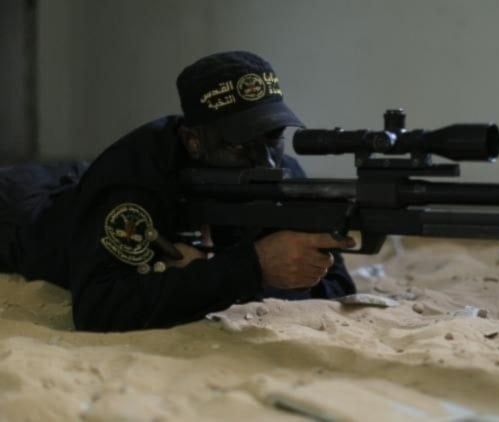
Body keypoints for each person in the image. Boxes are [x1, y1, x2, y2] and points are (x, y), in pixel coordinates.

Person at [0, 51, 356, 332]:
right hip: (25, 213)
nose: (265, 161)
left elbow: (337, 286)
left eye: (273, 136)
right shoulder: (134, 174)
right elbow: (98, 309)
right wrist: (250, 266)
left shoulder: (281, 173)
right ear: (193, 141)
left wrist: (217, 274)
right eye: (238, 144)